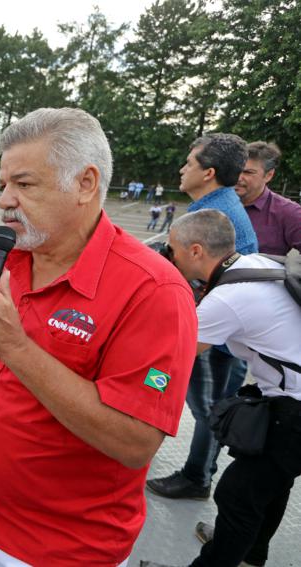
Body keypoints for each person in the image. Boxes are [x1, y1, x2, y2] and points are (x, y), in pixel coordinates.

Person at [0, 108, 198, 566]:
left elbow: (135, 443)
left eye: (24, 184)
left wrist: (16, 347)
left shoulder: (154, 292)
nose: (5, 199)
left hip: (62, 550)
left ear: (85, 183)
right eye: (3, 184)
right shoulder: (14, 255)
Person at [140, 211, 301, 567]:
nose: (171, 254)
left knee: (237, 495)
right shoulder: (256, 264)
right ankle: (251, 556)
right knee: (272, 485)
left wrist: (144, 387)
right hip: (287, 400)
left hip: (294, 410)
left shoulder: (226, 299)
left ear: (195, 251)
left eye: (173, 248)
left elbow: (171, 364)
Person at [148, 133, 258, 501]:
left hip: (213, 331)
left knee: (208, 409)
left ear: (208, 172)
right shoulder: (219, 204)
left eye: (189, 162)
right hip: (221, 326)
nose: (182, 169)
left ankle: (197, 476)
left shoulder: (214, 213)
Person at [234, 141, 301, 255]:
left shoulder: (289, 213)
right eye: (236, 170)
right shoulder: (214, 206)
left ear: (268, 175)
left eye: (248, 172)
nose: (238, 178)